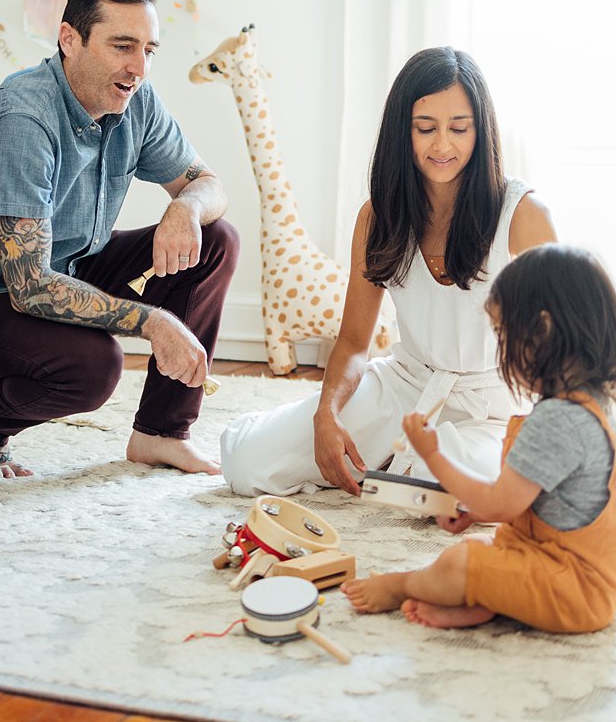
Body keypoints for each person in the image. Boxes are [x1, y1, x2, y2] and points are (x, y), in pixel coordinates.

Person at [0, 0, 238, 479]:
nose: (138, 67)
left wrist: (184, 208)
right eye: (123, 46)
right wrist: (155, 322)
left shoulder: (136, 99)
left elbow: (209, 184)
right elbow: (29, 286)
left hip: (68, 261)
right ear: (69, 40)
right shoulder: (23, 116)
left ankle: (160, 433)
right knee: (95, 367)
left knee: (217, 238)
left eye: (148, 49)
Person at [218, 47, 555, 496]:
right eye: (425, 128)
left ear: (481, 130)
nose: (442, 145)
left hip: (489, 406)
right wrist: (327, 416)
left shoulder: (523, 214)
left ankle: (410, 465)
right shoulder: (378, 216)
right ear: (403, 132)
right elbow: (355, 343)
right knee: (247, 464)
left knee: (436, 490)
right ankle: (376, 452)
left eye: (459, 128)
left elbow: (563, 345)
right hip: (405, 384)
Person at [341, 244, 616, 633]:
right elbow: (540, 495)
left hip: (573, 590)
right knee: (483, 550)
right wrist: (476, 511)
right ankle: (487, 603)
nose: (500, 349)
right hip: (581, 573)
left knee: (457, 563)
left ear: (543, 331)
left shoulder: (556, 421)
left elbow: (500, 504)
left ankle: (401, 586)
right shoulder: (596, 408)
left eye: (503, 334)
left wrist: (432, 454)